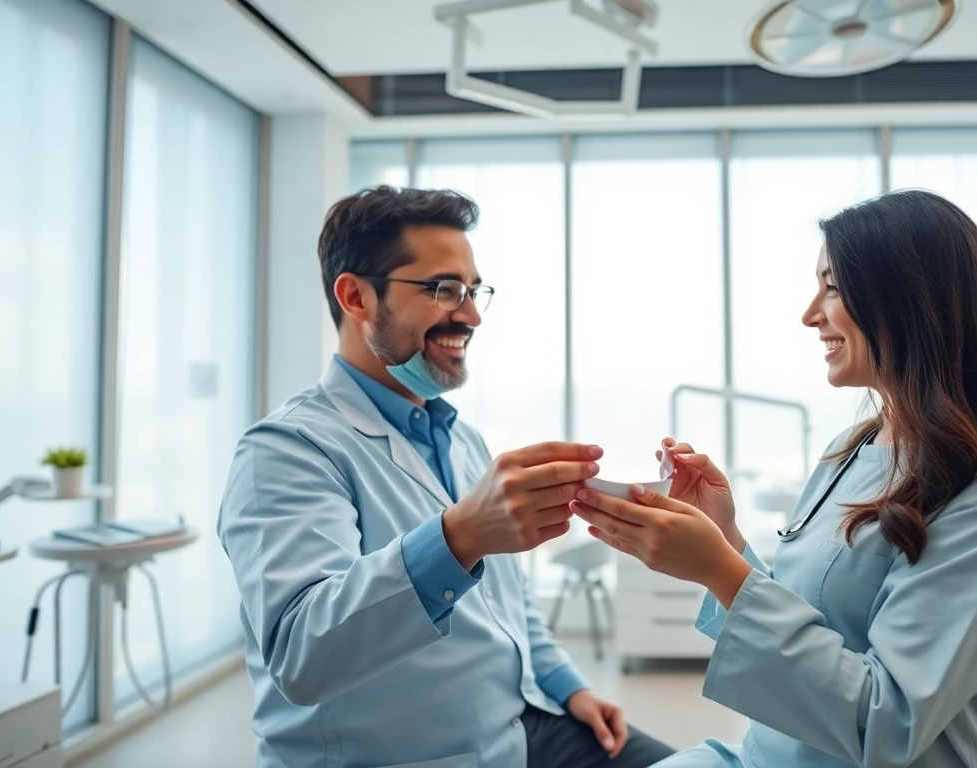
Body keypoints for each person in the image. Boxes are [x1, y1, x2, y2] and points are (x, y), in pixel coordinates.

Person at [572, 189, 977, 768]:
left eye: (833, 286)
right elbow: (816, 624)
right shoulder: (854, 448)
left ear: (910, 299)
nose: (811, 313)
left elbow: (891, 722)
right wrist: (723, 538)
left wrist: (717, 568)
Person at [217, 186, 673, 768]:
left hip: (520, 726)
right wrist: (458, 539)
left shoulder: (460, 437)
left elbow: (509, 603)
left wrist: (567, 685)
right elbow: (300, 655)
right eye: (444, 290)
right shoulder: (287, 450)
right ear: (356, 297)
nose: (472, 314)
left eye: (474, 290)